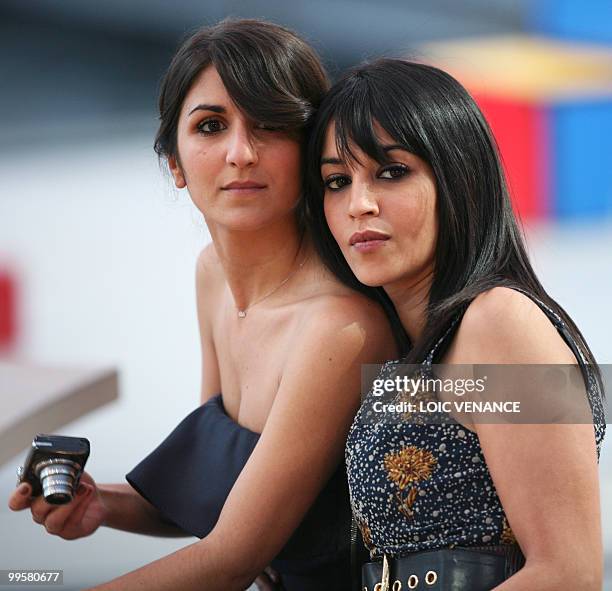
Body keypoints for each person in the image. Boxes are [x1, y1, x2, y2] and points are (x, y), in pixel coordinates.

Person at [7, 21, 398, 591]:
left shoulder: (339, 327)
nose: (240, 153)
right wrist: (103, 505)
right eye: (211, 126)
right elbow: (221, 493)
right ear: (175, 162)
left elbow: (234, 556)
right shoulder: (212, 275)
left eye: (270, 124)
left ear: (312, 151)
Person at [303, 58, 606, 590]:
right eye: (336, 181)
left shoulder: (501, 323)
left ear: (460, 176)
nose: (359, 204)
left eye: (392, 172)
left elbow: (569, 573)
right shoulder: (402, 338)